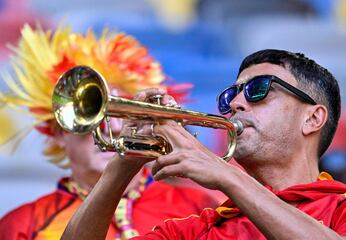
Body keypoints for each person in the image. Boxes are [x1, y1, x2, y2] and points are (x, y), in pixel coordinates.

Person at [61, 49, 346, 240]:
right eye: (231, 96)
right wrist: (122, 166)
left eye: (259, 89)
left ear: (312, 119)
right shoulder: (199, 229)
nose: (237, 104)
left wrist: (226, 174)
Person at [0, 24, 219, 240]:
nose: (113, 127)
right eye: (90, 113)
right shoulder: (22, 225)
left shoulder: (200, 206)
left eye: (123, 113)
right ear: (58, 132)